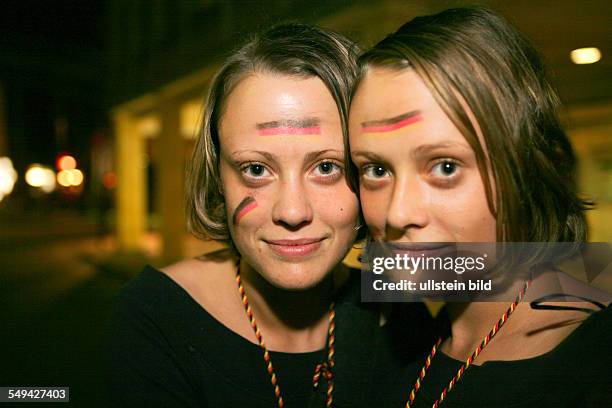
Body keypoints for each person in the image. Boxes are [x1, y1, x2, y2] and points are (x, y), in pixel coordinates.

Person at [107, 23, 434, 407]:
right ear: (219, 177)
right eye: (256, 170)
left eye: (327, 167)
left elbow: (514, 283)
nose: (292, 211)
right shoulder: (155, 317)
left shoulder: (402, 310)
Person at [348, 7, 611, 407]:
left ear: (524, 167)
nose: (397, 214)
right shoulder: (387, 343)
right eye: (377, 169)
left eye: (445, 167)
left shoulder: (592, 365)